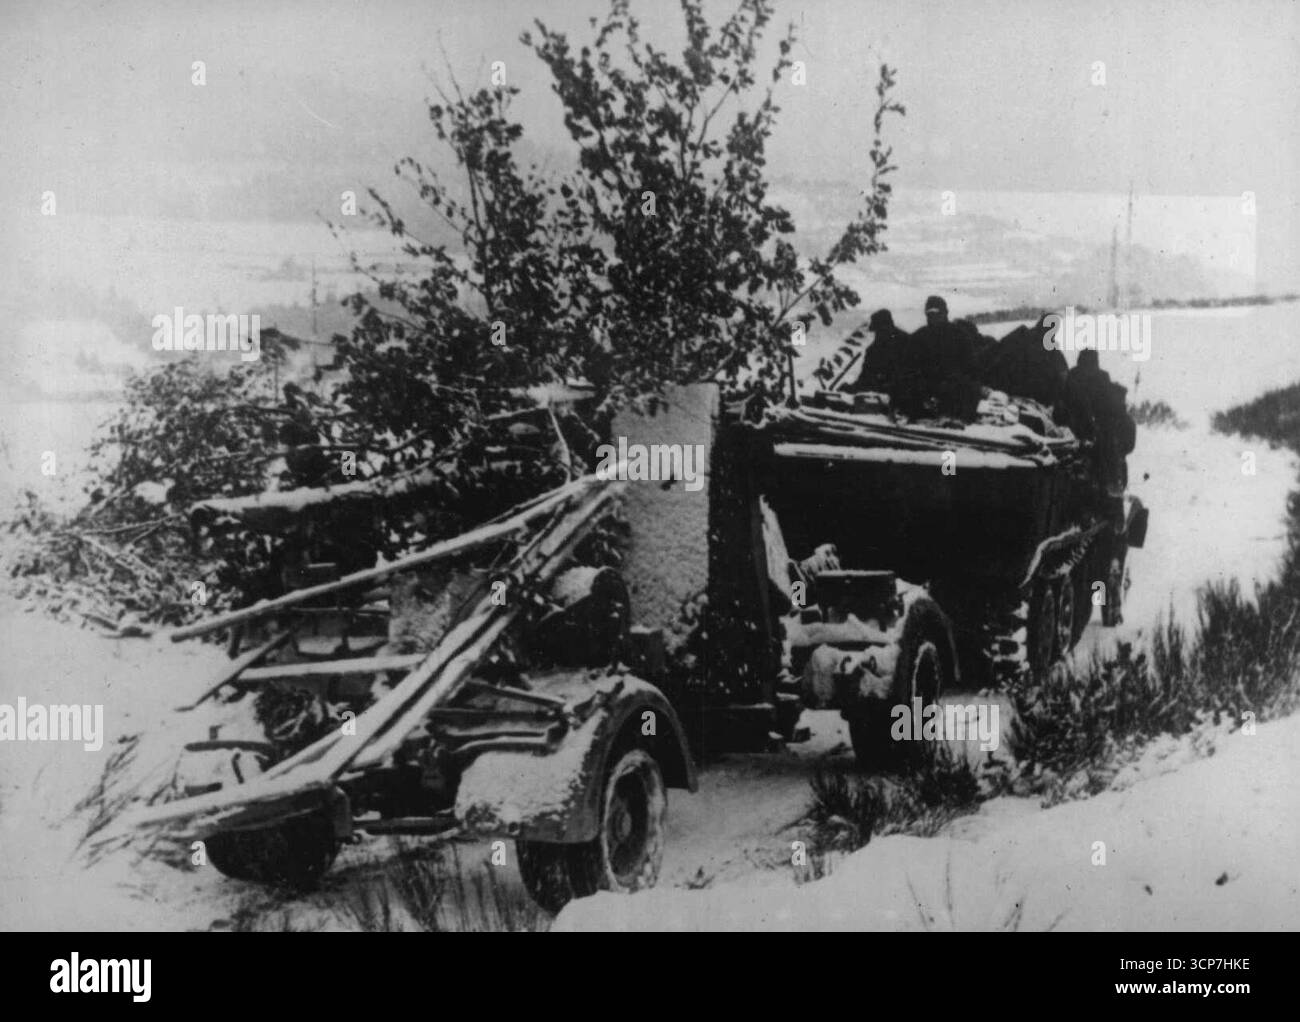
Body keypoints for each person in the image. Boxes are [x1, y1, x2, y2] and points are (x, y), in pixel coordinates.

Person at [890, 296, 981, 420]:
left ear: (945, 313)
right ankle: (907, 414)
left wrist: (955, 380)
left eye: (937, 313)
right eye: (930, 314)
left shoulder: (960, 336)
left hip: (952, 386)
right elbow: (907, 366)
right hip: (925, 387)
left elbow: (972, 368)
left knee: (970, 388)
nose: (933, 317)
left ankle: (956, 418)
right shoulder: (918, 337)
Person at [1063, 349, 1135, 499]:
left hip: (1073, 426)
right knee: (1105, 448)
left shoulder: (1072, 375)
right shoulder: (1102, 377)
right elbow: (1109, 405)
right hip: (1092, 428)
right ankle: (1111, 487)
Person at [847, 309, 909, 392]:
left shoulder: (907, 342)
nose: (879, 334)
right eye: (877, 331)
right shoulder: (873, 350)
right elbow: (865, 378)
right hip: (882, 394)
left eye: (881, 329)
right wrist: (851, 389)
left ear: (889, 326)